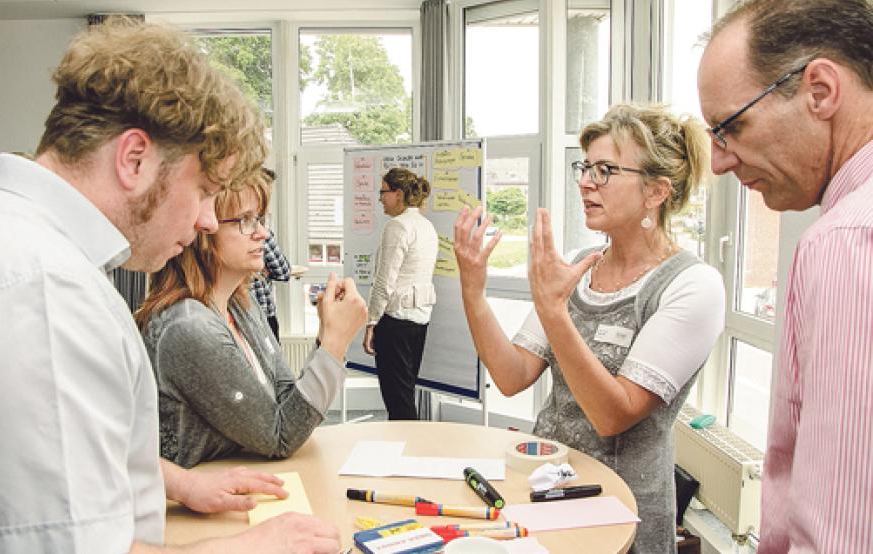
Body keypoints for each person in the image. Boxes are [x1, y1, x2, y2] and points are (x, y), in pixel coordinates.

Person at [0, 19, 341, 554]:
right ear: (134, 159)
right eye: (202, 190)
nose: (205, 221)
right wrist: (255, 547)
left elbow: (60, 449)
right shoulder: (42, 293)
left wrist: (177, 482)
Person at [454, 104, 725, 553]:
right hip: (545, 496)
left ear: (656, 191)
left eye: (605, 170)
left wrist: (554, 310)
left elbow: (614, 414)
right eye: (586, 167)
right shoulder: (582, 264)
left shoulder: (692, 285)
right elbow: (511, 375)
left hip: (622, 518)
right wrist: (472, 292)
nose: (585, 181)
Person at [697, 1, 873, 551]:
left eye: (731, 127)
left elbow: (837, 532)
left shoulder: (848, 240)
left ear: (819, 91)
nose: (720, 162)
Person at [137, 174, 367, 464]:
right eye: (245, 220)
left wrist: (328, 337)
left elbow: (287, 400)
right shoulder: (189, 328)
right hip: (191, 505)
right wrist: (335, 343)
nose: (263, 234)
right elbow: (281, 436)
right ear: (203, 230)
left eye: (260, 219)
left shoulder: (241, 303)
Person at [362, 167, 438, 421]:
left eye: (383, 192)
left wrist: (371, 322)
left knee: (398, 403)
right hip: (419, 319)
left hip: (395, 322)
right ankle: (407, 451)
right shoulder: (426, 226)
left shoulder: (397, 226)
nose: (380, 198)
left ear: (398, 193)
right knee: (405, 394)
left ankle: (407, 454)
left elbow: (384, 282)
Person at [251, 170, 291, 341]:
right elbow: (282, 271)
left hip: (267, 314)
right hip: (253, 319)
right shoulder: (257, 231)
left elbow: (283, 272)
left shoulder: (262, 229)